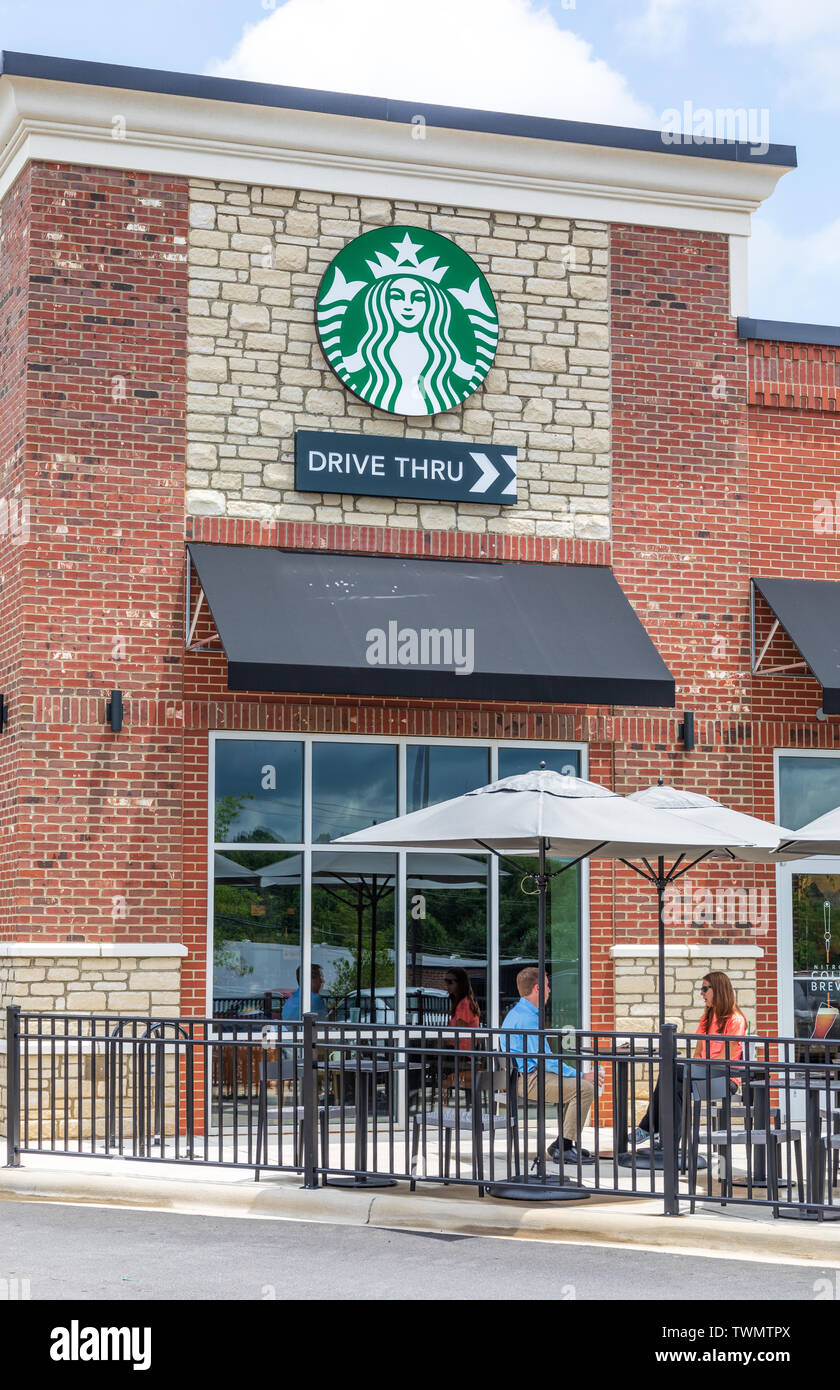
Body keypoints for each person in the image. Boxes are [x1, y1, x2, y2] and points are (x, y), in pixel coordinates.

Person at [632, 970, 747, 1150]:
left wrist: (695, 1068)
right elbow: (698, 1052)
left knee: (671, 1071)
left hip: (725, 1079)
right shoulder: (707, 1019)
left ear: (718, 989)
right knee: (675, 1086)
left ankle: (648, 1128)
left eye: (705, 989)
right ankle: (670, 1146)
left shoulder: (736, 1020)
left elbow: (725, 1057)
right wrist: (695, 1068)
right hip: (705, 1073)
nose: (701, 993)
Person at [501, 966, 596, 1166]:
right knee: (585, 1088)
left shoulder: (518, 1013)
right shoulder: (528, 1020)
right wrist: (580, 1075)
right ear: (537, 989)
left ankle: (563, 1144)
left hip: (525, 1076)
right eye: (547, 986)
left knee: (573, 1087)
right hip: (530, 1080)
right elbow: (547, 1060)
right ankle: (564, 1146)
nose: (550, 991)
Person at [443, 967, 480, 1050]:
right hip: (460, 1051)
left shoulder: (464, 1004)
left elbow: (459, 1033)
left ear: (460, 983)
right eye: (446, 981)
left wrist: (441, 1037)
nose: (447, 985)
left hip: (462, 1053)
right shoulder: (461, 1002)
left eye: (450, 982)